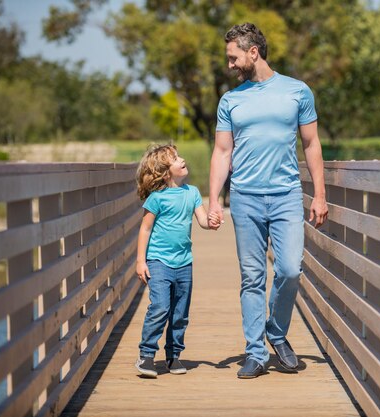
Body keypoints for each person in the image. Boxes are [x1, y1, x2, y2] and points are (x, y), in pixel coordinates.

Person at [208, 22, 328, 379]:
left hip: (287, 195)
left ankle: (275, 331)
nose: (230, 65)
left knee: (291, 269)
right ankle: (256, 352)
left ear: (253, 52)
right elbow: (222, 151)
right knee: (252, 277)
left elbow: (311, 144)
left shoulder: (297, 91)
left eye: (233, 57)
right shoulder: (231, 100)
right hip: (244, 198)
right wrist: (214, 199)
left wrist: (320, 195)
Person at [134, 144, 218, 378]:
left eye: (179, 155)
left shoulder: (192, 193)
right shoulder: (156, 198)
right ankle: (146, 355)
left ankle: (173, 355)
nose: (182, 159)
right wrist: (141, 261)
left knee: (180, 312)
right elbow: (145, 229)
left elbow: (202, 221)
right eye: (175, 158)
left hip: (184, 262)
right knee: (160, 307)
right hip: (158, 260)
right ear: (164, 171)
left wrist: (211, 222)